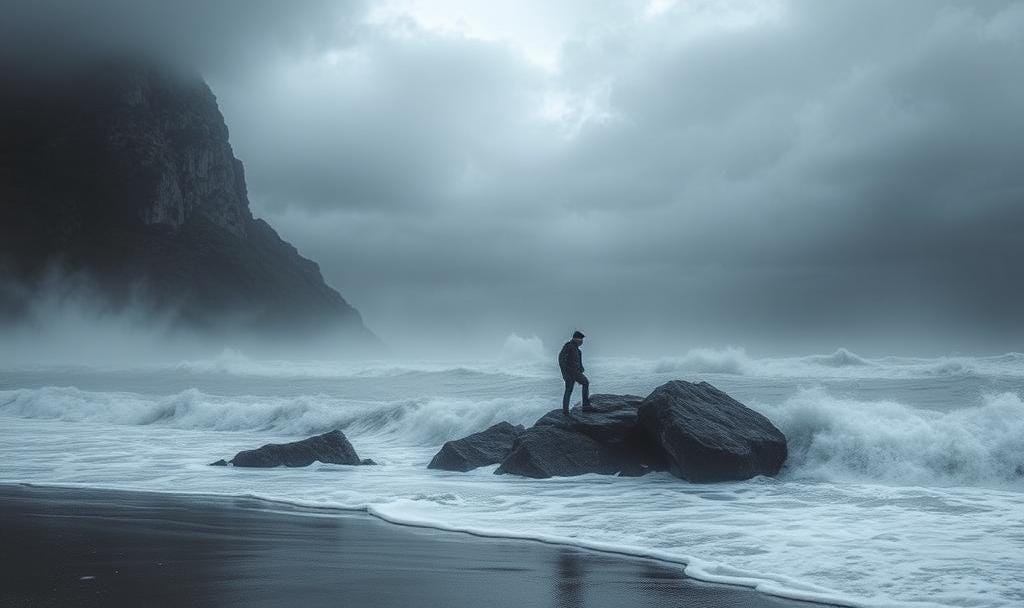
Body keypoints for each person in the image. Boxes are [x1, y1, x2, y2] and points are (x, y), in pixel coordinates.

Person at [558, 330, 590, 415]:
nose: (582, 342)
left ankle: (585, 406)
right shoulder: (568, 346)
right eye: (581, 340)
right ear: (576, 339)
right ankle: (566, 411)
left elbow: (578, 361)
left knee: (585, 383)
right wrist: (564, 374)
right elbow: (561, 359)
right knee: (569, 390)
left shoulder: (577, 350)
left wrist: (581, 367)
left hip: (576, 373)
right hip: (569, 373)